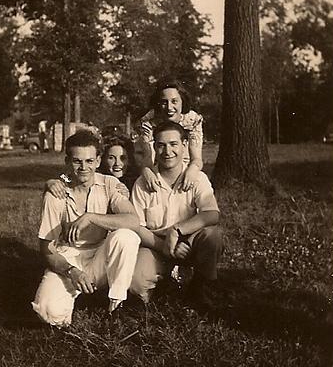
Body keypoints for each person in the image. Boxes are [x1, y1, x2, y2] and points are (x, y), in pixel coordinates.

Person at [32, 130, 140, 324]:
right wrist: (72, 272)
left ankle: (116, 305)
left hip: (101, 255)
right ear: (67, 161)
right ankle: (74, 296)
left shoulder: (109, 183)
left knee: (126, 237)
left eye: (89, 161)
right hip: (68, 258)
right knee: (49, 312)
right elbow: (46, 249)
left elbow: (133, 221)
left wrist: (91, 217)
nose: (84, 167)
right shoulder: (56, 192)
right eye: (77, 161)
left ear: (98, 161)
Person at [130, 120, 222, 306]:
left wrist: (177, 231)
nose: (167, 151)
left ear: (185, 145)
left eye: (173, 144)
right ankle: (164, 285)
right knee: (136, 285)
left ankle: (199, 286)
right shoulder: (143, 183)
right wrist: (164, 245)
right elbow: (137, 227)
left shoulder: (196, 178)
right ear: (154, 147)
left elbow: (212, 214)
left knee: (213, 235)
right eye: (161, 145)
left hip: (188, 242)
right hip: (156, 245)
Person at [137, 79, 204, 193]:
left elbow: (197, 158)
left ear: (182, 101)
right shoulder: (149, 121)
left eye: (174, 101)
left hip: (185, 170)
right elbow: (148, 157)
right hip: (159, 171)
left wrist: (192, 170)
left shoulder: (192, 120)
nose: (169, 108)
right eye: (164, 102)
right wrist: (146, 171)